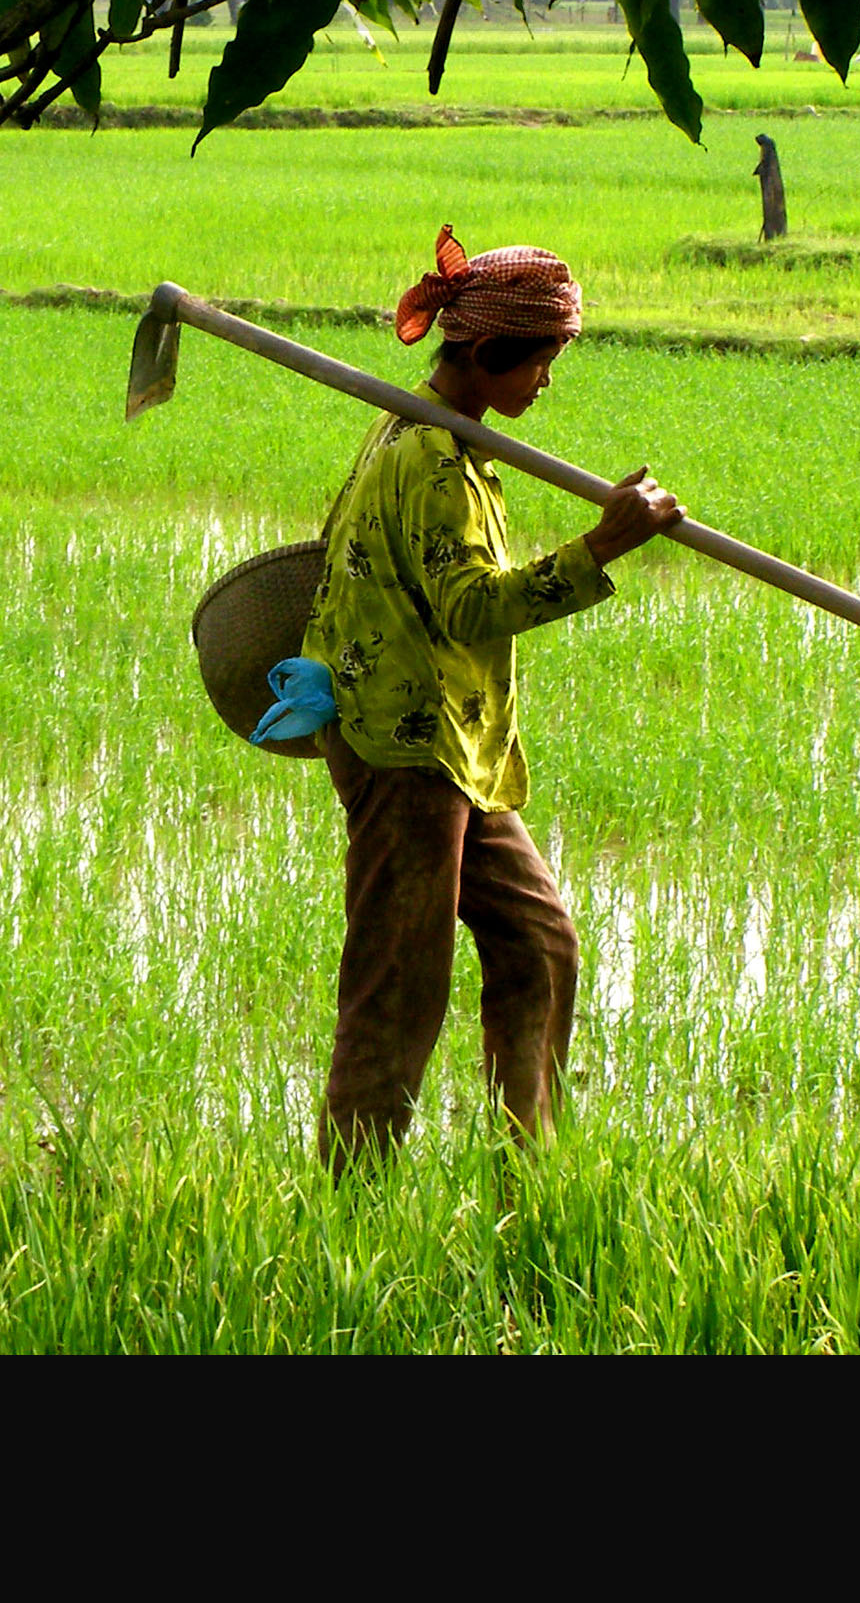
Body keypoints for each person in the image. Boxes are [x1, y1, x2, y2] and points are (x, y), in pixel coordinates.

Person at [298, 226, 683, 1171]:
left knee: (538, 941)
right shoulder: (430, 458)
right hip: (406, 750)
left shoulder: (443, 436)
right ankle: (353, 1193)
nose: (549, 379)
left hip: (452, 750)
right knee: (398, 983)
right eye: (545, 358)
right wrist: (600, 550)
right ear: (490, 352)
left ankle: (530, 1162)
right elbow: (471, 605)